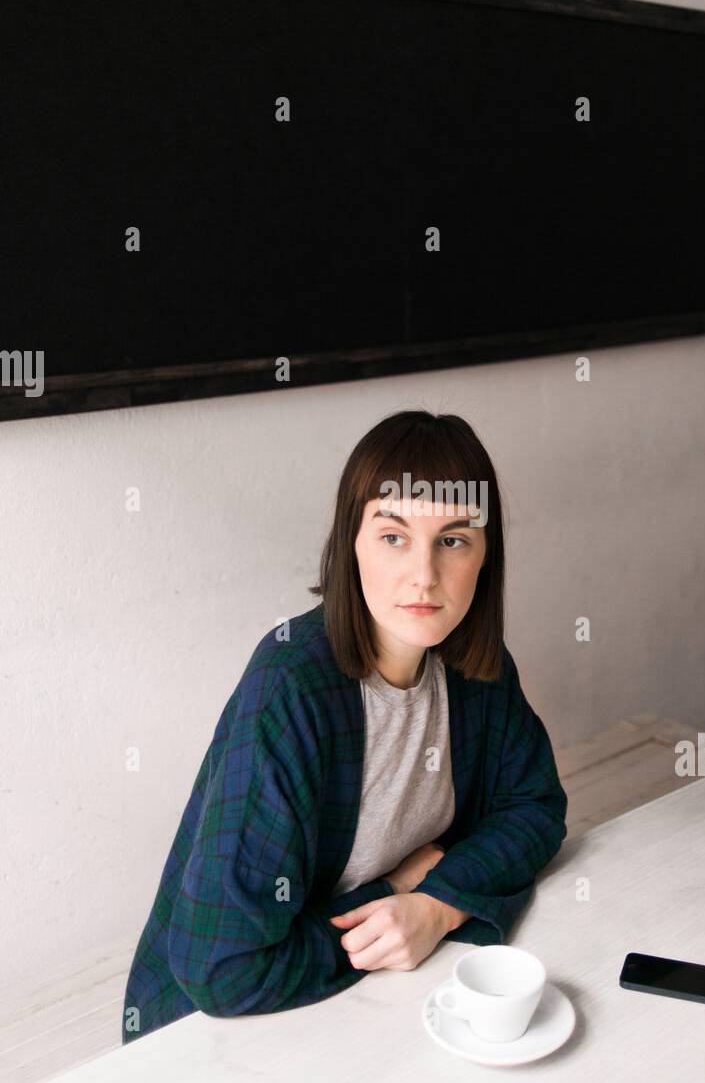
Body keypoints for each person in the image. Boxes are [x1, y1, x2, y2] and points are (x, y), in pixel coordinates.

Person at [121, 408, 567, 1043]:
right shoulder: (291, 689)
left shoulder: (476, 670)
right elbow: (224, 969)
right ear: (349, 543)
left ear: (486, 555)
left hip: (377, 994)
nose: (424, 575)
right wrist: (395, 888)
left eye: (453, 539)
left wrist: (435, 906)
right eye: (393, 537)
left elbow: (536, 809)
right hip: (209, 1030)